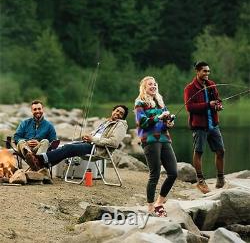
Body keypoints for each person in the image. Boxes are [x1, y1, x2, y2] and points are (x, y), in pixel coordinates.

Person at [25, 105, 128, 171]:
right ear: (113, 110)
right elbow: (96, 134)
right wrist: (88, 137)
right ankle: (43, 166)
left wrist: (93, 140)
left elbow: (114, 142)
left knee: (68, 149)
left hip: (98, 149)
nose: (118, 114)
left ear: (123, 117)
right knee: (66, 147)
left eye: (121, 113)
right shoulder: (106, 122)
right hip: (91, 144)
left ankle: (40, 159)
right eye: (117, 111)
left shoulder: (120, 125)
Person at [134, 76, 177, 217]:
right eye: (150, 85)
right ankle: (150, 207)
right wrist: (158, 118)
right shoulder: (140, 102)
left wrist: (168, 123)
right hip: (150, 140)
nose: (153, 86)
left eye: (154, 84)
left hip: (165, 139)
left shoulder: (160, 102)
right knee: (155, 175)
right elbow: (142, 122)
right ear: (144, 88)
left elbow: (164, 123)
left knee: (173, 173)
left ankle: (159, 202)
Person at [184, 61, 225, 194]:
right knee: (199, 152)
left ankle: (220, 177)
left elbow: (217, 100)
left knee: (221, 151)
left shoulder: (212, 84)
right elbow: (189, 107)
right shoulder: (189, 88)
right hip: (199, 126)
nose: (207, 73)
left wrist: (218, 105)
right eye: (204, 71)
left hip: (213, 124)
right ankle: (200, 180)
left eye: (208, 71)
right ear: (198, 71)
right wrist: (208, 104)